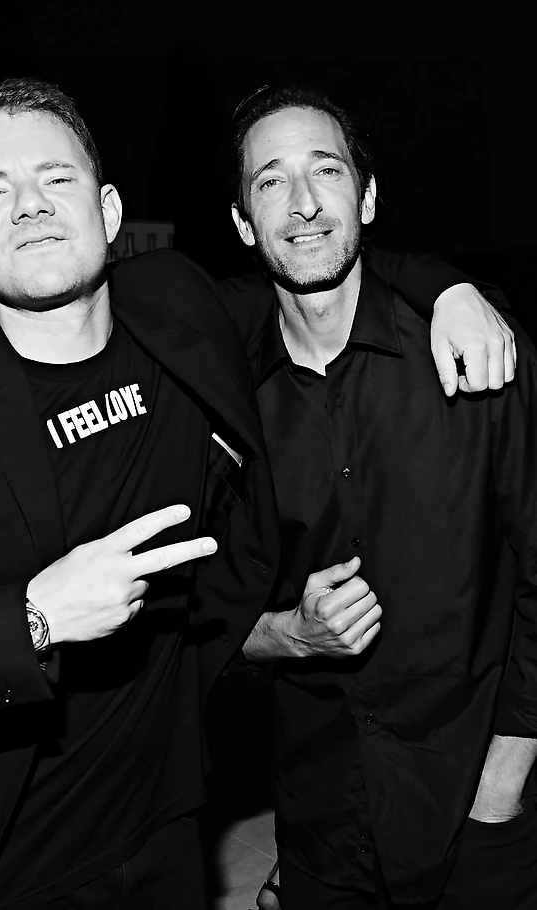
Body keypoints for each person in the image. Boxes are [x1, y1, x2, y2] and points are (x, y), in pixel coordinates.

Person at [0, 78, 515, 910]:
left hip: (166, 832)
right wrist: (34, 619)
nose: (30, 205)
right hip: (6, 864)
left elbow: (313, 255)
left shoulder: (175, 309)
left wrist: (452, 290)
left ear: (109, 211)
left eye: (56, 178)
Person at [223, 85, 537, 908]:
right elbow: (200, 610)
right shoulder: (222, 397)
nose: (303, 202)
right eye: (270, 180)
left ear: (366, 198)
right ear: (243, 222)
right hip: (320, 817)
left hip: (474, 810)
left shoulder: (479, 355)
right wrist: (287, 634)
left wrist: (504, 778)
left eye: (326, 171)